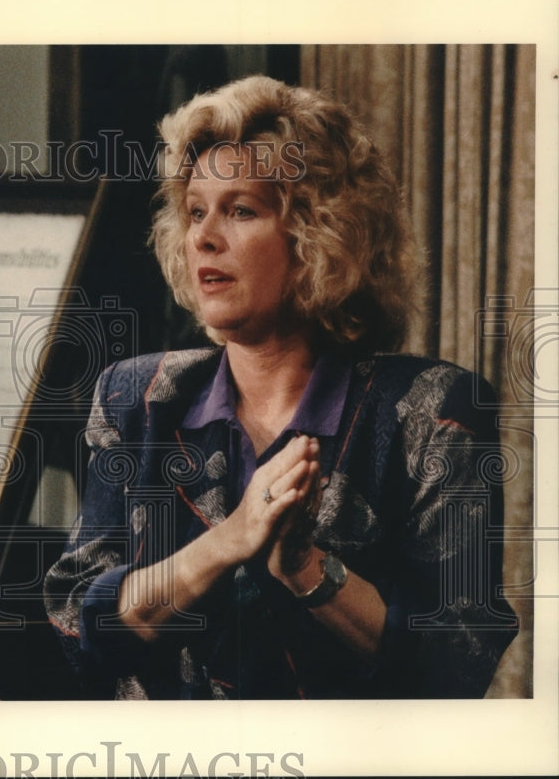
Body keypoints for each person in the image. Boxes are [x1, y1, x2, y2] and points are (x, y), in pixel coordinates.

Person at [44, 76, 518, 699]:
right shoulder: (138, 398)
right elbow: (76, 623)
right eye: (194, 211)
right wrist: (225, 544)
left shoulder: (433, 414)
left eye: (240, 210)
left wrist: (306, 570)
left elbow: (455, 662)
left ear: (319, 236)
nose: (204, 237)